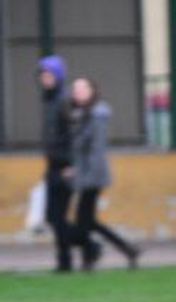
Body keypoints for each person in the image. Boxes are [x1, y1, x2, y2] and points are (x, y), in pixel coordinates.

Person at [66, 77, 141, 271]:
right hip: (85, 173)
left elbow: (97, 149)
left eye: (83, 89)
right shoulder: (80, 114)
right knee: (89, 221)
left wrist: (88, 176)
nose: (78, 92)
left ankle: (93, 253)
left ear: (92, 91)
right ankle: (126, 250)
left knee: (81, 226)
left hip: (93, 175)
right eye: (76, 89)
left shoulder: (97, 115)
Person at [37, 55, 73, 273]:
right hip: (52, 165)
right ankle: (86, 246)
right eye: (42, 74)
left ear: (58, 76)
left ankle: (66, 261)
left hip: (65, 167)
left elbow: (73, 135)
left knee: (58, 216)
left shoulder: (63, 101)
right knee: (52, 217)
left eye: (49, 74)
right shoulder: (49, 100)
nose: (44, 78)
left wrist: (72, 164)